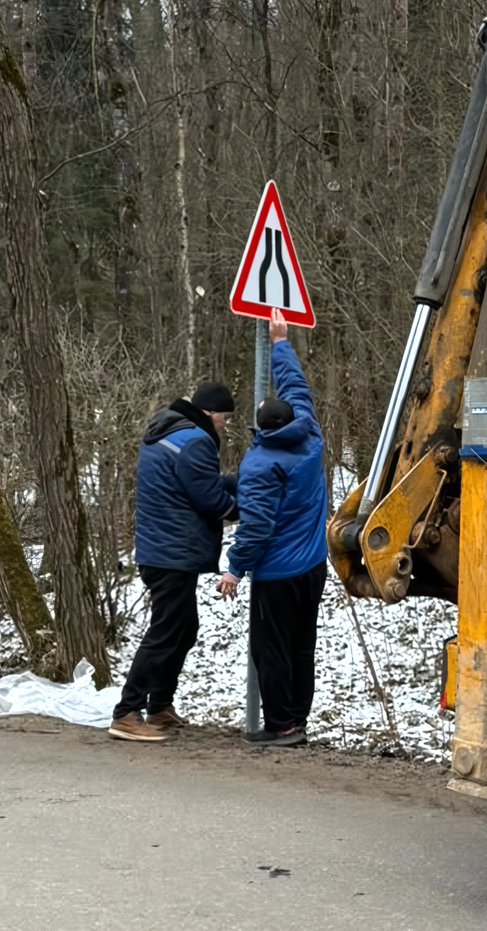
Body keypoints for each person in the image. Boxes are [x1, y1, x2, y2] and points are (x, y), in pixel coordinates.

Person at [220, 309, 328, 748]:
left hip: (278, 574)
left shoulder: (261, 463)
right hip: (313, 567)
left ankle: (281, 726)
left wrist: (234, 568)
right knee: (302, 645)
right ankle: (296, 719)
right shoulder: (310, 435)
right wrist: (280, 343)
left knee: (271, 650)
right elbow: (296, 390)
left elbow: (257, 525)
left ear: (261, 429)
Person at [110, 375, 239, 742]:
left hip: (160, 549)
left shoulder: (166, 433)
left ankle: (160, 707)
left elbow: (196, 484)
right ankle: (127, 712)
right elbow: (211, 501)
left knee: (183, 629)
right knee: (166, 632)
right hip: (173, 553)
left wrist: (236, 481)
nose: (224, 425)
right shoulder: (196, 441)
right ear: (208, 412)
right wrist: (249, 506)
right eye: (223, 418)